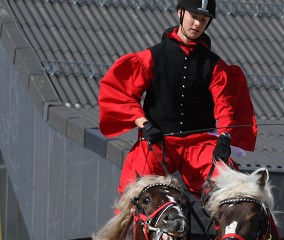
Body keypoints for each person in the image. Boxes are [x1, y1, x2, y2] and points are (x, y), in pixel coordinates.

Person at [98, 0, 258, 196]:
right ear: (180, 13)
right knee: (133, 188)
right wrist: (144, 124)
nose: (198, 24)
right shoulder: (150, 57)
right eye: (194, 17)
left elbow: (225, 106)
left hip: (199, 145)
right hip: (158, 141)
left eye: (204, 20)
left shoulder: (216, 66)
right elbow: (122, 93)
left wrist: (224, 137)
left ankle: (233, 227)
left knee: (233, 189)